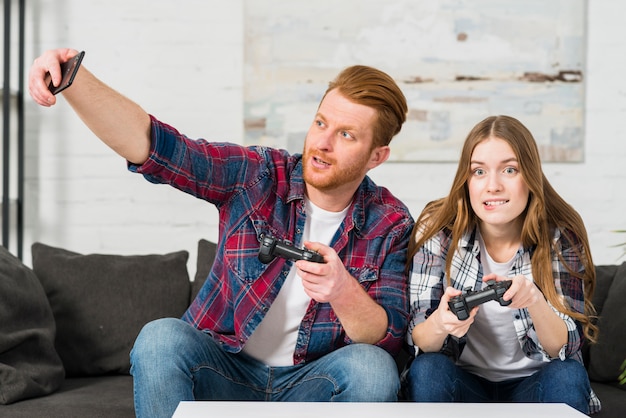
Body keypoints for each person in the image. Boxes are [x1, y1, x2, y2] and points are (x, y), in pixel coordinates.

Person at [29, 48, 414, 417]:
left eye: (347, 135)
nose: (322, 143)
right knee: (160, 339)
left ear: (377, 156)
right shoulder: (257, 175)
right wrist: (72, 76)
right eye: (321, 123)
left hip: (311, 385)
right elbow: (160, 149)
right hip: (224, 372)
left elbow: (388, 337)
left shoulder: (390, 222)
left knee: (372, 368)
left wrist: (342, 290)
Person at [402, 115, 600, 414]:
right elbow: (419, 340)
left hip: (536, 383)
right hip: (464, 382)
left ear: (530, 176)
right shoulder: (439, 228)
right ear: (466, 180)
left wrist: (534, 300)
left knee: (568, 375)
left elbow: (565, 348)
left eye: (509, 170)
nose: (492, 186)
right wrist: (442, 322)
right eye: (479, 171)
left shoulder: (561, 233)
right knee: (428, 369)